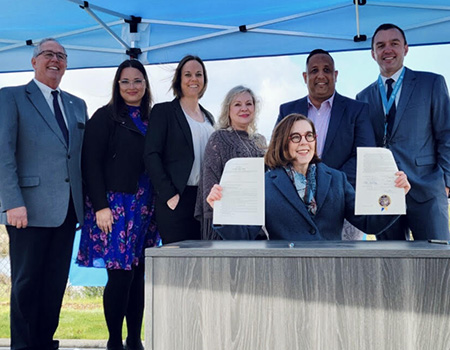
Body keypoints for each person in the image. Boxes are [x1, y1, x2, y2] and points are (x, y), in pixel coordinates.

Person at [0, 38, 88, 350]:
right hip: (27, 210)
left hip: (67, 212)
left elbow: (79, 158)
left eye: (61, 56)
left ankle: (44, 343)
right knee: (26, 285)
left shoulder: (77, 104)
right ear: (34, 61)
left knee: (53, 286)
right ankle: (23, 346)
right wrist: (12, 202)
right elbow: (3, 154)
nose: (55, 60)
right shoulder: (10, 97)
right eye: (48, 54)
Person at [207, 114, 410, 240]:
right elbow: (244, 235)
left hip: (333, 274)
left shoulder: (337, 179)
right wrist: (222, 209)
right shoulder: (265, 184)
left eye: (309, 136)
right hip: (285, 277)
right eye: (295, 137)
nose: (304, 142)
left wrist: (395, 196)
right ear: (282, 142)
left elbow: (369, 224)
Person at [76, 59, 160, 350]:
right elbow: (90, 163)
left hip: (147, 207)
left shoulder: (155, 117)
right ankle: (114, 341)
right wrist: (100, 206)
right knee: (120, 275)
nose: (132, 87)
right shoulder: (104, 117)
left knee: (138, 276)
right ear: (117, 84)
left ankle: (134, 339)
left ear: (146, 84)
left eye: (137, 81)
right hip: (115, 207)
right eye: (125, 81)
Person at [357, 23, 450, 241]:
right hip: (384, 195)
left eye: (394, 43)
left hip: (427, 192)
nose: (387, 50)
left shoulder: (431, 83)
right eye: (380, 45)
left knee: (435, 266)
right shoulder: (362, 98)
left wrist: (446, 183)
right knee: (390, 268)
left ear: (405, 49)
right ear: (373, 54)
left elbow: (446, 134)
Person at [276, 49, 376, 240]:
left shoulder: (357, 110)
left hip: (342, 201)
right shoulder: (287, 110)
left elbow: (364, 155)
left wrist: (328, 184)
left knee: (342, 264)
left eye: (327, 70)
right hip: (295, 202)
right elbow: (278, 151)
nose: (320, 75)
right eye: (314, 70)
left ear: (335, 75)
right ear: (305, 76)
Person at [144, 55, 215, 244]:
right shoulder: (163, 112)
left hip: (204, 201)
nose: (194, 79)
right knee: (177, 265)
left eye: (199, 74)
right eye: (188, 74)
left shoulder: (209, 117)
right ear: (179, 80)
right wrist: (168, 195)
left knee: (203, 263)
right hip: (176, 199)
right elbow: (151, 154)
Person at [195, 85, 267, 239]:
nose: (244, 108)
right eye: (237, 104)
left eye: (249, 104)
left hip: (256, 222)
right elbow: (210, 179)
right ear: (228, 110)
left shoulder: (260, 141)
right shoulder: (219, 138)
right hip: (226, 223)